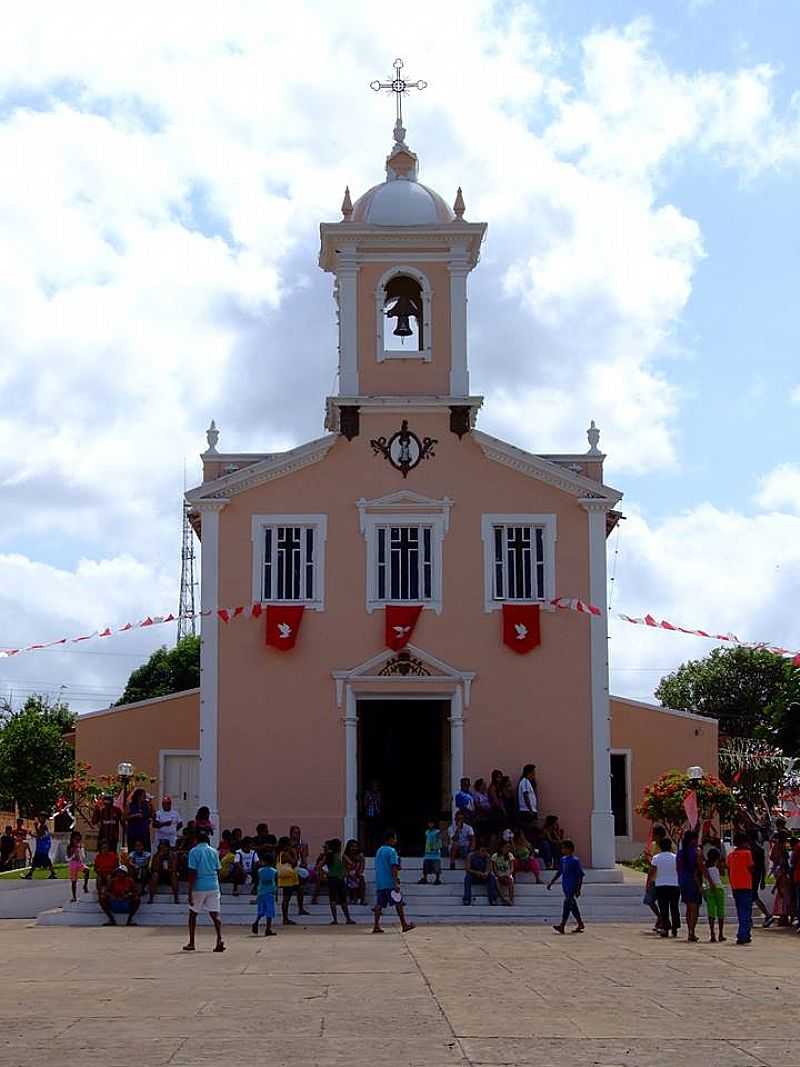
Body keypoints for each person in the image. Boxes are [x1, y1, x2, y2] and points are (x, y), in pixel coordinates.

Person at [184, 830, 224, 952]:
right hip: (213, 885)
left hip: (199, 886)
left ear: (196, 840)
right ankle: (219, 939)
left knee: (193, 914)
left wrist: (190, 891)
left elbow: (192, 872)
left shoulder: (194, 851)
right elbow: (218, 870)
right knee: (215, 914)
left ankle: (192, 942)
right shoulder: (214, 852)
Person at [372, 829, 414, 934]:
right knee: (398, 903)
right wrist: (396, 882)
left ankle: (376, 925)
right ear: (391, 839)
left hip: (380, 882)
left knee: (379, 904)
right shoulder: (392, 851)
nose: (396, 840)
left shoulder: (379, 851)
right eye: (395, 838)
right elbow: (394, 867)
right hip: (390, 882)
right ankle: (404, 924)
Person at [548, 839, 585, 934]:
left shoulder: (575, 861)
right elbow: (560, 872)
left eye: (564, 848)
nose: (562, 850)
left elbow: (580, 876)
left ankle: (562, 925)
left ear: (569, 849)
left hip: (572, 886)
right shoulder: (563, 860)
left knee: (567, 904)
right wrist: (552, 882)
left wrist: (578, 889)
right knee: (572, 906)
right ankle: (580, 923)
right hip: (565, 886)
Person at [648, 836, 680, 938]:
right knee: (674, 907)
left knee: (663, 908)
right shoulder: (675, 857)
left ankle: (665, 928)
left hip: (661, 884)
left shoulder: (656, 858)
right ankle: (675, 927)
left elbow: (652, 872)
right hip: (674, 884)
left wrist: (650, 883)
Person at [728, 831, 755, 945]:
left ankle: (745, 933)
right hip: (746, 886)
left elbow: (729, 869)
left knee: (740, 911)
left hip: (735, 886)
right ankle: (743, 934)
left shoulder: (731, 855)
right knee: (746, 912)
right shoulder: (747, 853)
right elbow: (751, 868)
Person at [676, 830, 703, 942]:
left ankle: (690, 930)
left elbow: (677, 868)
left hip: (683, 881)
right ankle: (692, 931)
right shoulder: (696, 852)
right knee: (695, 908)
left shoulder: (680, 853)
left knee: (689, 908)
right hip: (694, 882)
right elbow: (700, 868)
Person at [323, 838, 355, 925]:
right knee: (343, 900)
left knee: (332, 899)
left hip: (331, 879)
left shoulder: (328, 855)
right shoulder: (341, 855)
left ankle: (335, 919)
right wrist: (345, 870)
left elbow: (320, 866)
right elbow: (351, 864)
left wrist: (326, 873)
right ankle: (348, 918)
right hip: (340, 879)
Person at [643, 824, 667, 931]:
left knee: (661, 901)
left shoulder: (666, 846)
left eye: (654, 834)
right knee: (649, 900)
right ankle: (660, 918)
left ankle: (661, 921)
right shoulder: (653, 846)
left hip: (662, 877)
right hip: (654, 877)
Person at [767, 832, 793, 926]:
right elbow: (782, 861)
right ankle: (784, 917)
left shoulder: (776, 847)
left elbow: (773, 858)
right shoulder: (781, 848)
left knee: (782, 894)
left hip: (779, 872)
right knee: (784, 895)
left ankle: (784, 917)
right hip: (782, 872)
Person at [252, 851, 277, 936]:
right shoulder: (274, 871)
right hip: (270, 893)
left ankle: (256, 922)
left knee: (261, 910)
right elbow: (275, 882)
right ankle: (268, 929)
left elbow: (257, 881)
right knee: (269, 911)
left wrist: (255, 889)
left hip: (261, 892)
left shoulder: (260, 871)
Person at [703, 846, 726, 943]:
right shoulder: (716, 866)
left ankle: (712, 933)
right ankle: (720, 933)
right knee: (720, 911)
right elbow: (723, 874)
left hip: (709, 889)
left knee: (711, 911)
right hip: (718, 888)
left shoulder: (705, 866)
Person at [748, 827, 771, 922]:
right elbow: (762, 866)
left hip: (751, 875)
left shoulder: (750, 849)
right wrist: (763, 880)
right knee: (752, 895)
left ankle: (767, 914)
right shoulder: (759, 849)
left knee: (752, 896)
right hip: (757, 875)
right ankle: (750, 918)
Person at [277, 836, 301, 925]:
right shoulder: (285, 854)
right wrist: (295, 853)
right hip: (287, 879)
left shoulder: (280, 853)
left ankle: (285, 918)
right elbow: (294, 863)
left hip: (286, 878)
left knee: (286, 898)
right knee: (286, 899)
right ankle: (285, 918)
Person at [23, 815, 56, 879]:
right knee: (45, 860)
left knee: (36, 860)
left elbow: (39, 835)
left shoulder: (43, 826)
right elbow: (40, 836)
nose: (39, 819)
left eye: (40, 817)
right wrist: (32, 834)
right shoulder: (43, 826)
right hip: (44, 846)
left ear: (44, 818)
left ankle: (30, 874)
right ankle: (52, 873)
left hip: (42, 847)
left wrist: (35, 828)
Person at [148, 839, 179, 904]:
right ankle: (151, 898)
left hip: (169, 874)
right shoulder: (156, 855)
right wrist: (159, 857)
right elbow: (154, 868)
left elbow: (174, 868)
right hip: (160, 874)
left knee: (173, 875)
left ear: (168, 847)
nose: (163, 849)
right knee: (155, 875)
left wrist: (169, 868)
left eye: (165, 847)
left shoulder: (173, 855)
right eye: (161, 847)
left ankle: (176, 897)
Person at [517, 764, 539, 842]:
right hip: (526, 811)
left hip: (530, 810)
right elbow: (525, 795)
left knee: (532, 831)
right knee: (529, 831)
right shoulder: (525, 782)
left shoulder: (528, 782)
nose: (534, 774)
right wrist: (530, 809)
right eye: (533, 772)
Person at [66, 830, 89, 902]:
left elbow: (83, 855)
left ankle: (85, 886)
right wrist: (73, 852)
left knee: (87, 870)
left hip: (79, 863)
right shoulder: (69, 846)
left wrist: (81, 851)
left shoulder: (80, 845)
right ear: (72, 839)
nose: (77, 840)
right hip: (73, 864)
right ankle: (74, 897)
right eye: (75, 839)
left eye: (78, 839)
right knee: (74, 881)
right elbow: (68, 856)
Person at [491, 837, 515, 905]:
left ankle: (510, 899)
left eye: (508, 847)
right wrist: (499, 875)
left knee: (511, 880)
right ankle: (503, 898)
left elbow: (512, 867)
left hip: (507, 874)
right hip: (499, 874)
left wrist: (508, 874)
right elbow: (494, 868)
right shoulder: (495, 856)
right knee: (496, 881)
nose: (507, 849)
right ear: (501, 847)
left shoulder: (510, 855)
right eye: (506, 847)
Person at [419, 820, 443, 885]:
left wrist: (436, 848)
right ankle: (425, 878)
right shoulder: (426, 832)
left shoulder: (438, 832)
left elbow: (439, 841)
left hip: (435, 853)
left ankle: (437, 879)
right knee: (425, 866)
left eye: (432, 823)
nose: (430, 825)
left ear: (434, 824)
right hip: (427, 853)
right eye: (429, 823)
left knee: (436, 867)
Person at [363, 780, 383, 854]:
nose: (375, 787)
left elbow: (380, 804)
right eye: (374, 785)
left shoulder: (378, 794)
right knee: (369, 833)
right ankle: (369, 849)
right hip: (369, 815)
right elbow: (365, 804)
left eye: (376, 785)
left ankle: (376, 849)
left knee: (376, 833)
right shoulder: (368, 793)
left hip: (377, 815)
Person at [344, 839, 366, 905]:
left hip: (357, 875)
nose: (354, 848)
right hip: (347, 875)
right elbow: (344, 869)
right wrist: (350, 874)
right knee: (349, 880)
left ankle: (362, 900)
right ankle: (351, 898)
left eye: (356, 846)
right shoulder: (345, 856)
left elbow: (361, 869)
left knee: (361, 880)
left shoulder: (360, 856)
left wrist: (357, 874)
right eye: (352, 846)